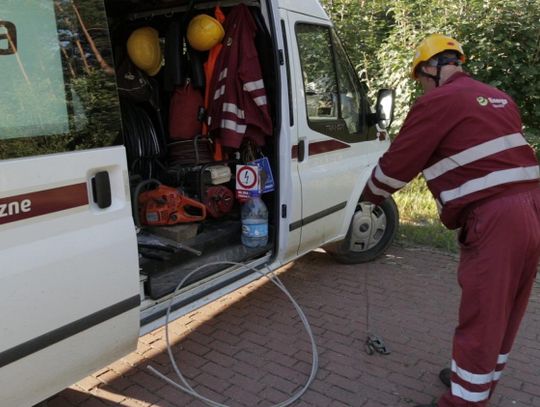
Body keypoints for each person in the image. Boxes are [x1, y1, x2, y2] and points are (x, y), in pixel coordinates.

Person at [361, 33, 540, 407]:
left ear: (431, 68)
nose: (422, 89)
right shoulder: (498, 97)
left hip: (496, 217)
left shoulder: (439, 101)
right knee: (507, 308)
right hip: (532, 207)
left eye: (421, 80)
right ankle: (476, 382)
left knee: (482, 314)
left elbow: (398, 164)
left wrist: (367, 197)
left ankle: (464, 401)